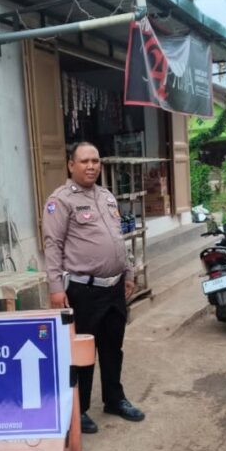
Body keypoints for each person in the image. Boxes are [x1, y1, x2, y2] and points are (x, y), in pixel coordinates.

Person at [42, 143, 145, 435]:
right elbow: (53, 245)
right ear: (70, 165)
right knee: (83, 352)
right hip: (83, 290)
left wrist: (128, 271)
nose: (91, 166)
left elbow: (117, 239)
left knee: (113, 347)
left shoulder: (106, 196)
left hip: (114, 289)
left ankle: (114, 398)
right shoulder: (60, 201)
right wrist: (54, 288)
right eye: (84, 161)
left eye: (95, 161)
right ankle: (81, 407)